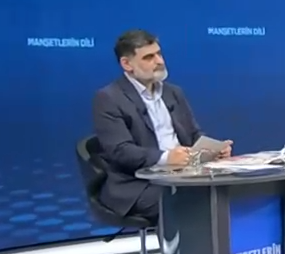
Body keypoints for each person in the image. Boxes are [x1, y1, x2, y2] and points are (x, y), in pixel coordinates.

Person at [91, 29, 231, 225]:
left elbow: (193, 134)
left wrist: (213, 150)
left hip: (182, 176)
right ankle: (184, 247)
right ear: (127, 64)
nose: (159, 61)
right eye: (149, 57)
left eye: (159, 54)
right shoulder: (109, 98)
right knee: (191, 202)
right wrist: (166, 158)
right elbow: (120, 151)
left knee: (223, 193)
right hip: (137, 185)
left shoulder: (173, 92)